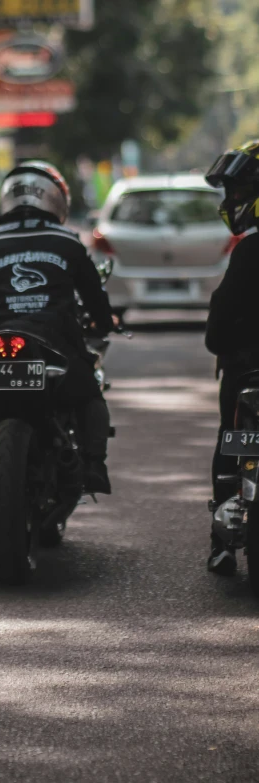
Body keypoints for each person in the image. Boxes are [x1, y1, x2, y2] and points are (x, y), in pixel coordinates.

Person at [0, 160, 114, 494]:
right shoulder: (68, 242)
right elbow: (95, 296)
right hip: (55, 338)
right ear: (55, 199)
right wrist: (105, 323)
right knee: (89, 392)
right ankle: (95, 465)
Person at [205, 140, 259, 574]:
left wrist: (223, 345)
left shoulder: (249, 252)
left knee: (230, 439)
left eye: (240, 191)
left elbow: (218, 324)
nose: (232, 202)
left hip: (246, 372)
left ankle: (220, 543)